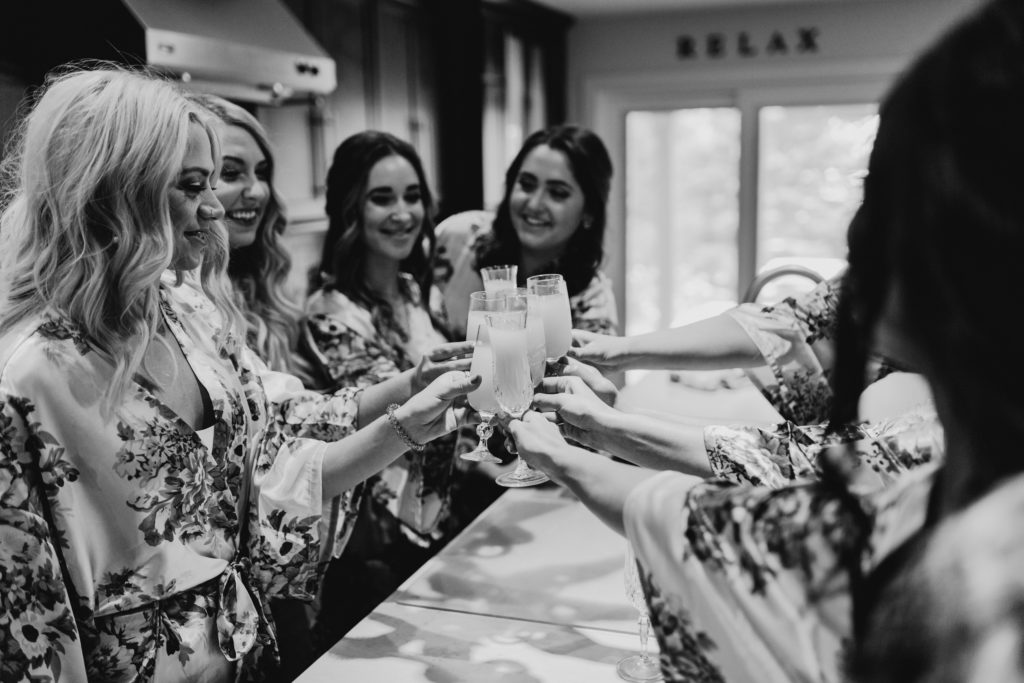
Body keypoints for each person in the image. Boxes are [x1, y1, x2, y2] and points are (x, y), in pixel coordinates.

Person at [508, 0, 1024, 680]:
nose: (852, 235)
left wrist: (572, 448)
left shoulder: (977, 563)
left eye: (877, 195)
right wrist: (607, 410)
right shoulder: (941, 453)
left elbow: (747, 522)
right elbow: (787, 441)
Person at [0, 66, 478, 683]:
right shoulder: (30, 378)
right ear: (118, 191)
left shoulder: (183, 310)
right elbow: (26, 612)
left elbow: (273, 442)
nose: (214, 206)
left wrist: (407, 403)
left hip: (245, 659)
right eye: (193, 184)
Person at [301, 130, 480, 645]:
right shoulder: (330, 315)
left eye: (413, 196)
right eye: (383, 198)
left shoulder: (414, 293)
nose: (403, 213)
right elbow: (391, 420)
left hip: (440, 521)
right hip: (379, 544)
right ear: (350, 208)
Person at [434, 124, 618, 340]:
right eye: (527, 184)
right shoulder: (457, 237)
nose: (534, 204)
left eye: (557, 193)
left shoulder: (592, 304)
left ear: (589, 211)